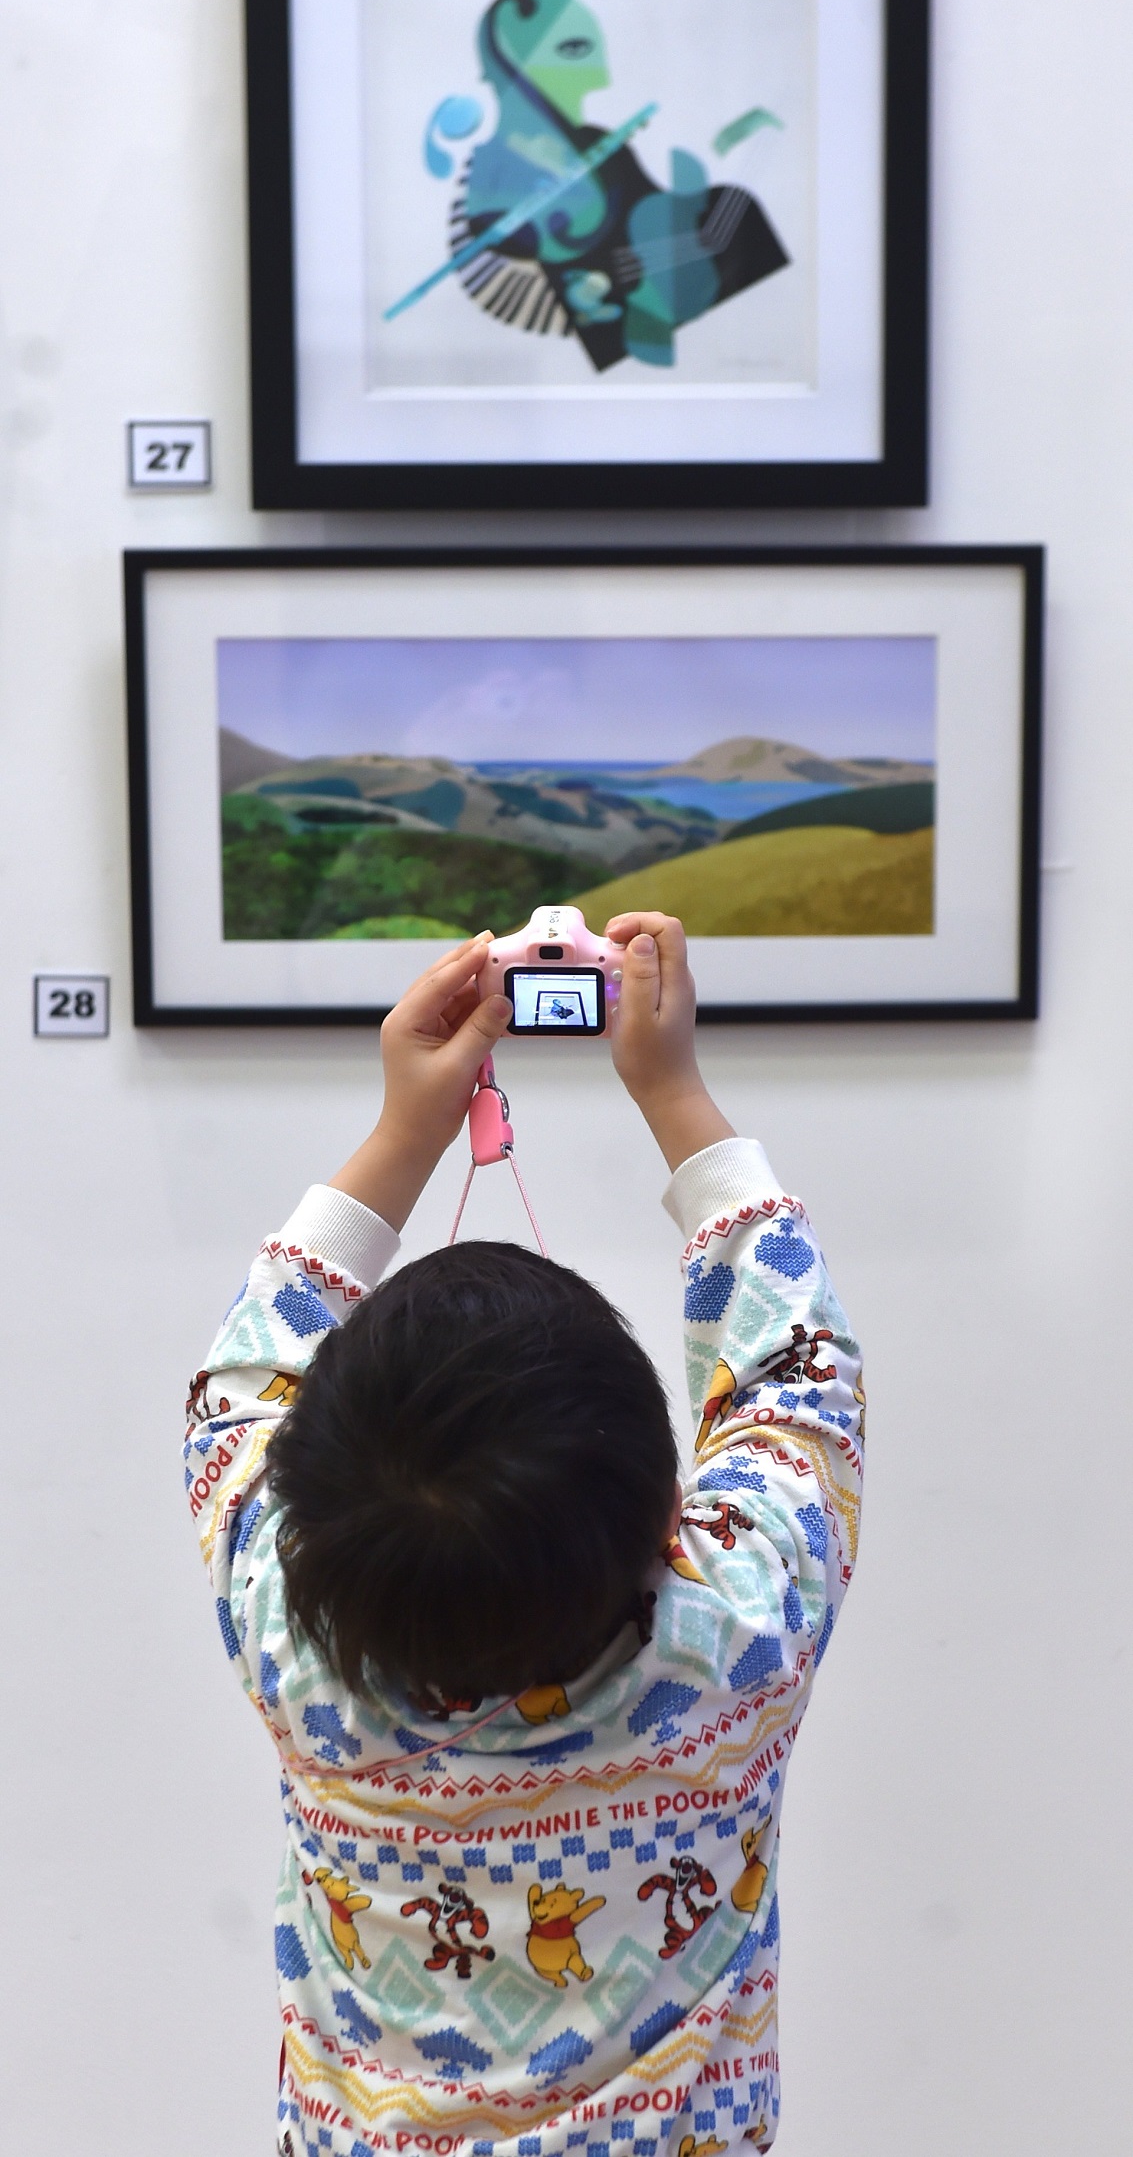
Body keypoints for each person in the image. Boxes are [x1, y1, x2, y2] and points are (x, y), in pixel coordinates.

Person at [187, 914, 863, 2157]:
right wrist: (672, 1094)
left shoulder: (292, 1644)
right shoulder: (734, 1643)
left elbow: (233, 1392)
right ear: (676, 1518)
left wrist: (401, 1138)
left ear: (302, 1514)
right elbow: (794, 1375)